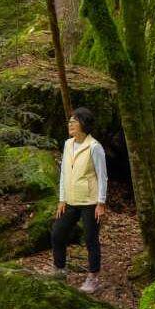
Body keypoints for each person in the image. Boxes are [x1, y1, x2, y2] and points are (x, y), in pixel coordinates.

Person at [49, 107, 107, 293]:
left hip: (90, 202)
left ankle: (93, 278)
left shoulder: (94, 147)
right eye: (70, 121)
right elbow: (64, 173)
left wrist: (101, 203)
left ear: (84, 124)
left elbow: (102, 175)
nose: (70, 124)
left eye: (74, 121)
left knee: (90, 239)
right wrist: (61, 199)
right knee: (57, 233)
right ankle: (59, 270)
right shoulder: (67, 144)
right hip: (70, 201)